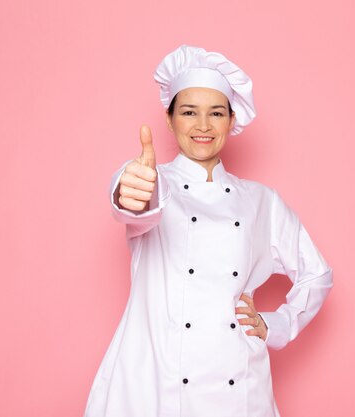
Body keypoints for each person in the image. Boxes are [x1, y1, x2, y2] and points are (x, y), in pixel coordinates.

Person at [83, 45, 333, 417]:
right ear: (169, 121)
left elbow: (317, 275)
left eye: (216, 113)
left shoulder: (262, 201)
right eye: (188, 113)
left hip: (238, 382)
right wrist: (130, 189)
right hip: (159, 378)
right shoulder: (156, 183)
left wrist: (275, 324)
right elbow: (136, 206)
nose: (203, 126)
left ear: (231, 120)